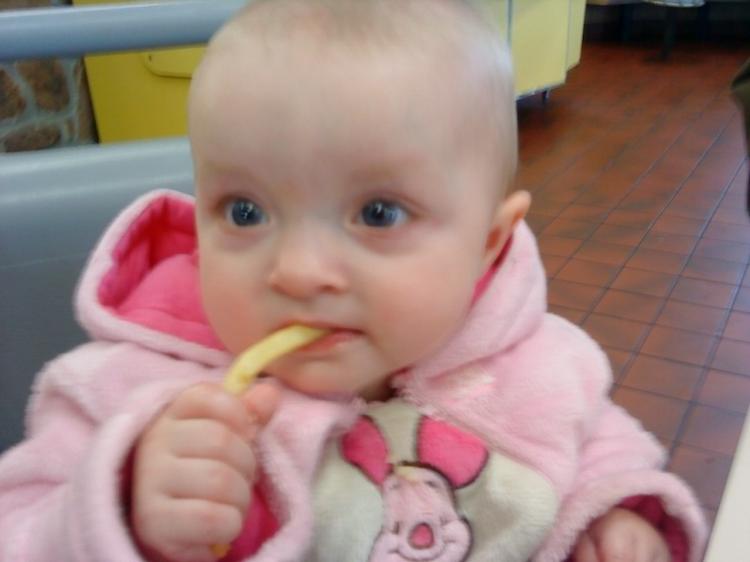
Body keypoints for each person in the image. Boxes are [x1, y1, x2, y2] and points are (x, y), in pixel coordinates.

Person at [0, 1, 706, 561]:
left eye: (378, 213)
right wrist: (122, 506)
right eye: (245, 211)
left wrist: (616, 516)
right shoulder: (122, 390)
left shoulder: (544, 363)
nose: (298, 272)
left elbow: (600, 453)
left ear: (486, 243)